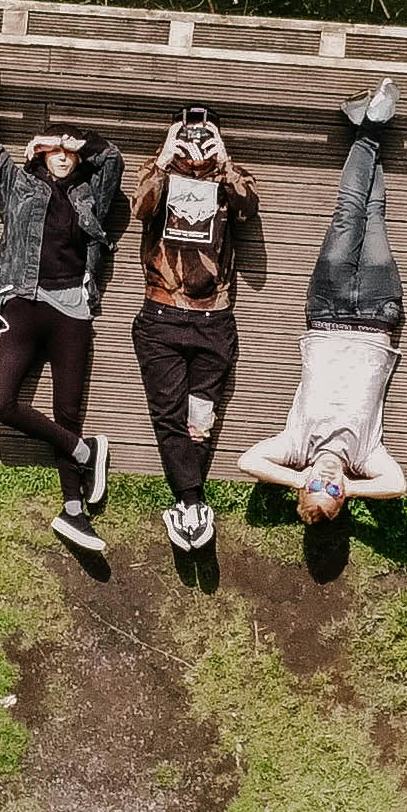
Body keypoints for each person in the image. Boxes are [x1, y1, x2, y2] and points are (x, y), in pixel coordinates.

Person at [0, 51, 126, 553]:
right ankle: (84, 450)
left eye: (69, 150)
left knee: (67, 407)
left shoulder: (92, 193)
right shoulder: (17, 187)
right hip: (22, 304)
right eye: (52, 147)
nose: (61, 153)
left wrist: (82, 141)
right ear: (36, 154)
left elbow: (113, 159)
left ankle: (74, 512)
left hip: (73, 308)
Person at [237, 77, 407, 523]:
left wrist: (297, 478)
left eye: (318, 486)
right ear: (344, 493)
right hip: (377, 315)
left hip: (328, 311)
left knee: (348, 213)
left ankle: (370, 129)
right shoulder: (366, 457)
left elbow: (248, 462)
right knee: (373, 216)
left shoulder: (295, 447)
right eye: (332, 491)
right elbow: (397, 485)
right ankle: (365, 127)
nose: (327, 480)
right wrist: (352, 484)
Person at [129, 102, 261, 552]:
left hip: (213, 317)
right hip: (161, 313)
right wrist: (166, 159)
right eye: (189, 132)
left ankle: (189, 505)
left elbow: (248, 207)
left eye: (204, 133)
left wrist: (221, 162)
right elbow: (141, 207)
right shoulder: (158, 171)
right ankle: (193, 504)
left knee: (200, 419)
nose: (196, 141)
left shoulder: (231, 177)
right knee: (169, 414)